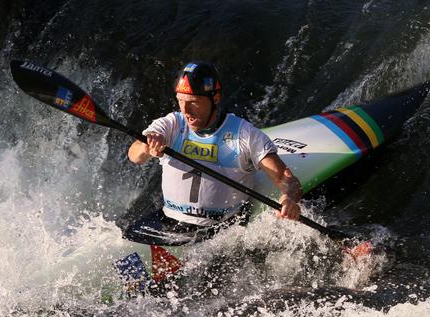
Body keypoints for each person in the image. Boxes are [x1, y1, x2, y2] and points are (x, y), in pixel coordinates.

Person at [125, 61, 303, 245]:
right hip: (168, 222)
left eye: (193, 102)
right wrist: (147, 146)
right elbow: (134, 155)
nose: (185, 111)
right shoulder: (172, 124)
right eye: (181, 101)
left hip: (218, 233)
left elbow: (288, 181)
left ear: (215, 98)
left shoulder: (244, 135)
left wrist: (288, 199)